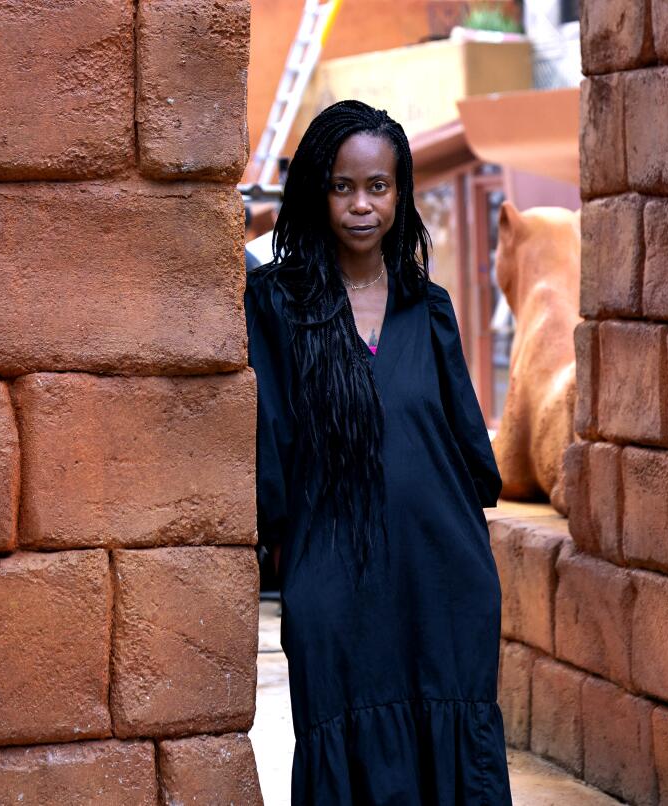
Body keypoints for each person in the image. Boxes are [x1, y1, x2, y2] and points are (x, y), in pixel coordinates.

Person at [245, 100, 510, 804]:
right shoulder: (275, 304)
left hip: (442, 572)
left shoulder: (430, 307)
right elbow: (271, 438)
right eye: (342, 186)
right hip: (333, 571)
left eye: (379, 187)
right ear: (316, 191)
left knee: (449, 736)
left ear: (400, 193)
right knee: (342, 731)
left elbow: (468, 452)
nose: (362, 205)